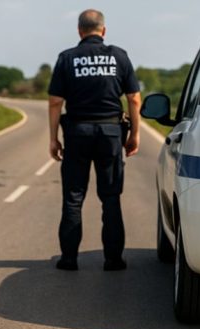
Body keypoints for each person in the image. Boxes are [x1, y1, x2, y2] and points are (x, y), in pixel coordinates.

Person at [48, 8, 141, 271]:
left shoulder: (67, 58)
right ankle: (113, 259)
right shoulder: (119, 56)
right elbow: (134, 98)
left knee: (73, 198)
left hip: (77, 134)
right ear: (103, 30)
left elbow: (55, 101)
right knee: (110, 198)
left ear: (79, 31)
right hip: (110, 135)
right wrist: (134, 134)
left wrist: (53, 139)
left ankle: (68, 259)